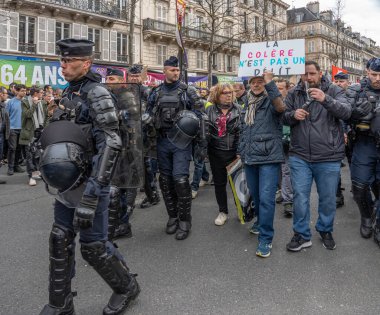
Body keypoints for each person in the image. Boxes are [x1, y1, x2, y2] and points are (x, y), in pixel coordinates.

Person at [38, 39, 139, 315]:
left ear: (86, 63)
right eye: (62, 60)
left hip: (91, 184)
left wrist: (93, 195)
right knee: (59, 238)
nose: (63, 65)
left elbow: (111, 143)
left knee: (93, 247)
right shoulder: (70, 91)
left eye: (69, 61)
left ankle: (127, 287)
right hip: (66, 184)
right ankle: (60, 303)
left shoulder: (97, 93)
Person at [283, 61, 351, 252]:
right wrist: (293, 115)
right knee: (300, 197)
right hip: (300, 155)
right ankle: (302, 234)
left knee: (328, 198)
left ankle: (325, 229)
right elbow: (283, 117)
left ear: (321, 73)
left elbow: (346, 113)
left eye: (312, 73)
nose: (308, 77)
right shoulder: (294, 93)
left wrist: (325, 99)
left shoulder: (334, 90)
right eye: (305, 74)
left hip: (328, 155)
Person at [146, 56, 202, 240]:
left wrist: (200, 143)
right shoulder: (156, 92)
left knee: (180, 180)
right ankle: (172, 217)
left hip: (181, 143)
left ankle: (185, 220)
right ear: (164, 71)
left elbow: (199, 116)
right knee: (165, 181)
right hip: (161, 141)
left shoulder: (188, 91)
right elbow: (147, 113)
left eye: (177, 70)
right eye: (172, 70)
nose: (175, 73)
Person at [238, 71, 285, 258]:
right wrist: (240, 149)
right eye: (253, 82)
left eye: (260, 82)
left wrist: (270, 82)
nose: (257, 85)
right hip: (250, 157)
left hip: (268, 157)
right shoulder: (246, 102)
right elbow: (243, 129)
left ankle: (266, 238)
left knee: (266, 199)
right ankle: (259, 222)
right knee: (256, 196)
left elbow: (281, 108)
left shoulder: (271, 101)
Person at [348, 57, 380, 247]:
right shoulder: (356, 90)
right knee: (359, 188)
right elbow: (342, 113)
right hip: (363, 143)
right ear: (367, 72)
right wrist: (356, 113)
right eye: (375, 74)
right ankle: (367, 217)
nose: (378, 79)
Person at [205, 83, 240, 225]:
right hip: (216, 152)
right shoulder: (209, 110)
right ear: (217, 95)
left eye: (230, 93)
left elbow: (242, 132)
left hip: (234, 153)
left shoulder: (239, 110)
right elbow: (205, 132)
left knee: (237, 184)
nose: (228, 95)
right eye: (224, 93)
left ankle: (241, 209)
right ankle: (223, 211)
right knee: (219, 184)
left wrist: (240, 151)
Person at [127, 64, 161, 209]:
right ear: (127, 76)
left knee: (147, 169)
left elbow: (155, 111)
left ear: (141, 77)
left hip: (145, 136)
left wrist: (148, 118)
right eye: (132, 76)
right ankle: (127, 202)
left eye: (136, 76)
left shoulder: (147, 92)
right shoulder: (122, 91)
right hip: (126, 136)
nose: (134, 78)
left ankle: (153, 196)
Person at [276, 78, 294, 217]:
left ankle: (288, 200)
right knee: (280, 170)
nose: (278, 91)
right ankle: (284, 193)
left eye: (281, 88)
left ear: (287, 89)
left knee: (287, 170)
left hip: (290, 141)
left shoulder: (292, 101)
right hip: (276, 141)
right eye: (276, 88)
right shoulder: (272, 102)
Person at [5, 84, 26, 176]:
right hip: (12, 128)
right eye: (22, 90)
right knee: (12, 149)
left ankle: (16, 165)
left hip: (22, 128)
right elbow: (6, 116)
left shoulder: (26, 102)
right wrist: (7, 128)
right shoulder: (10, 102)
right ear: (17, 91)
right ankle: (10, 167)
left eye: (25, 91)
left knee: (19, 149)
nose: (24, 92)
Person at [0, 87, 10, 184]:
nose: (7, 95)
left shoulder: (3, 105)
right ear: (1, 94)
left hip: (1, 135)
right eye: (5, 93)